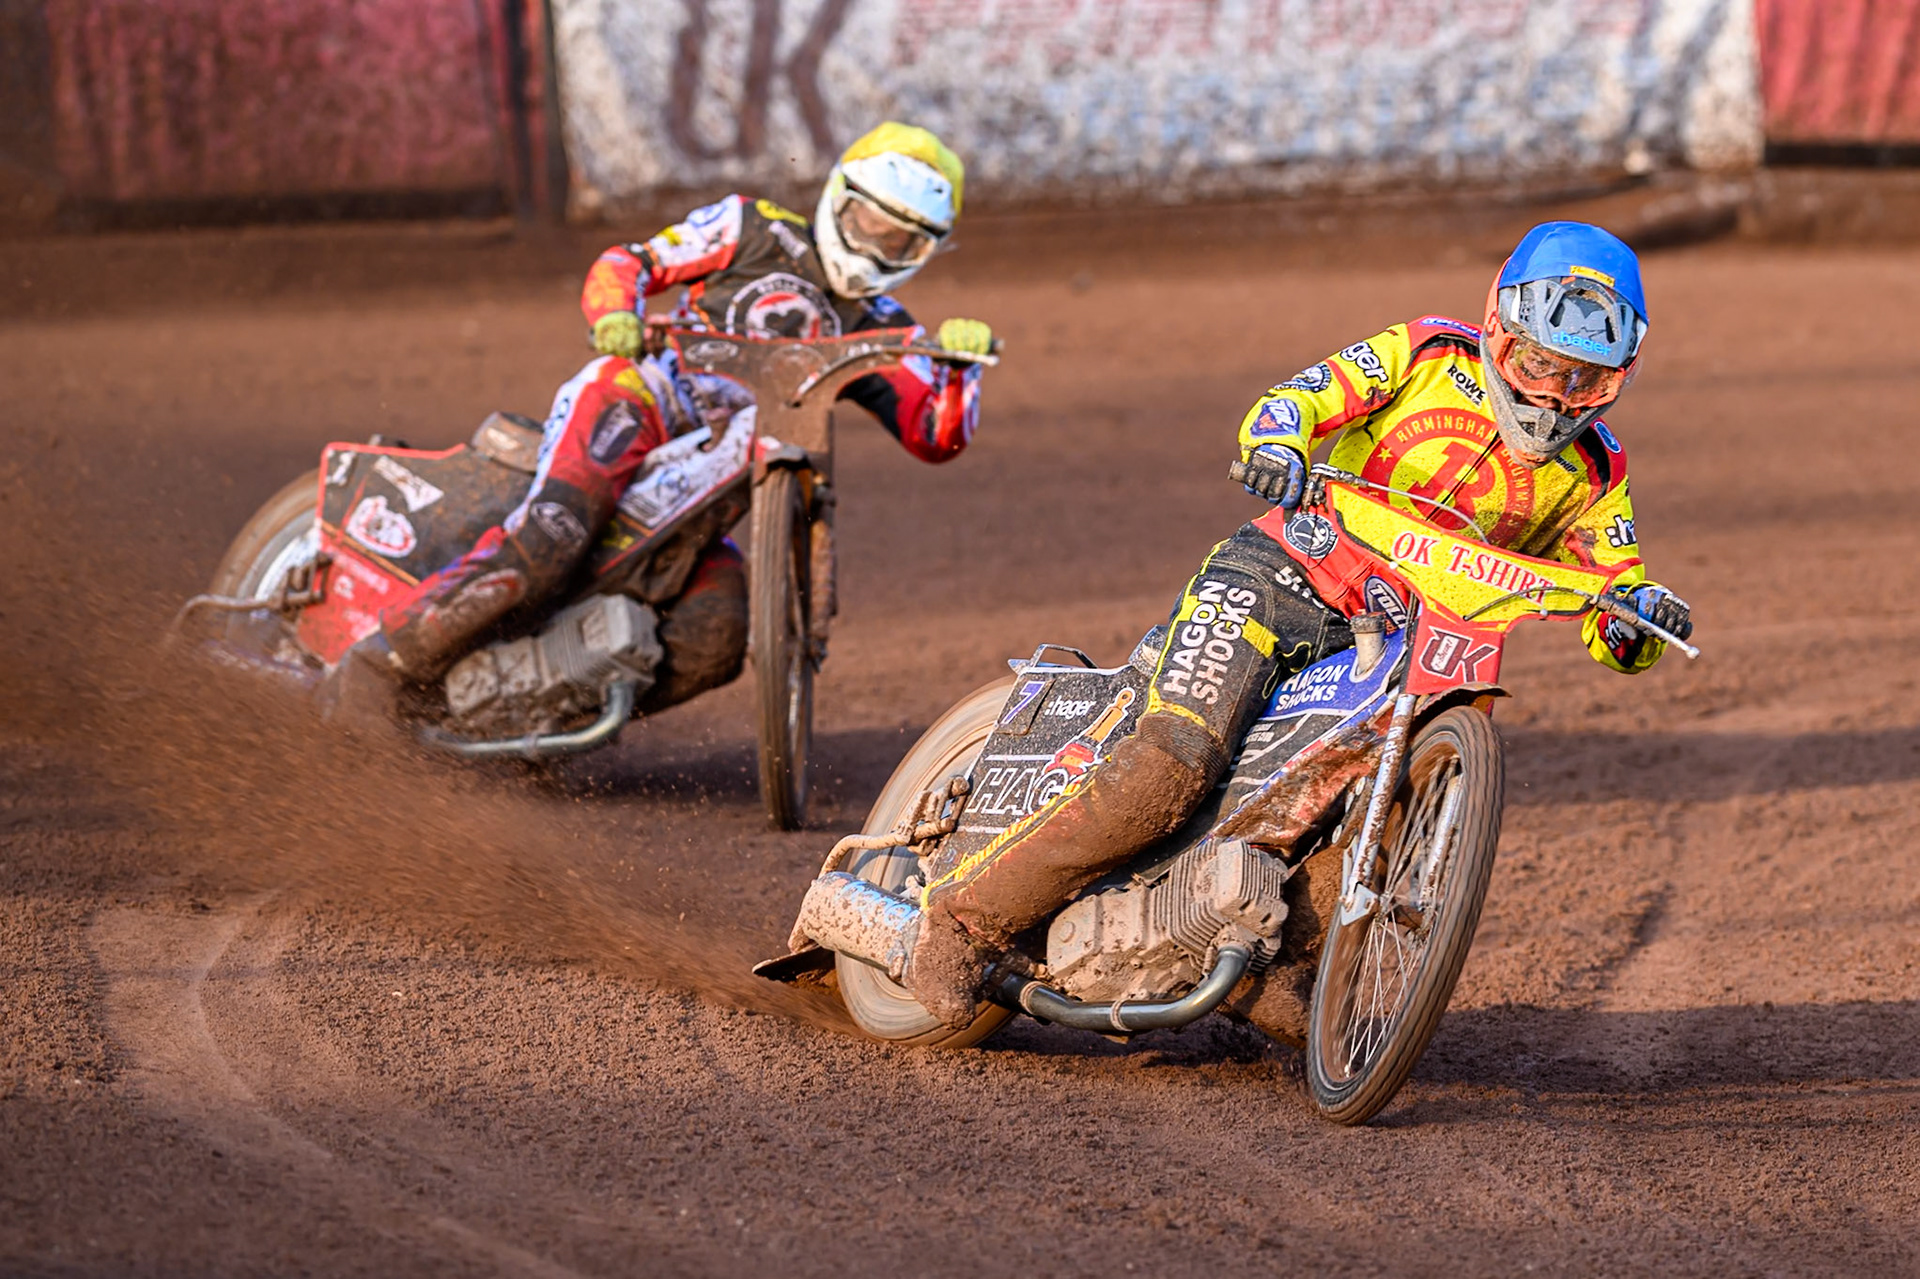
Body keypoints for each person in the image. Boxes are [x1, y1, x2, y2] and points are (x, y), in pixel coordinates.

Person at [905, 221, 1694, 1027]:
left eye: (1585, 380)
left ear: (1619, 377)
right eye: (1538, 364)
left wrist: (1638, 619)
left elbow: (1616, 594)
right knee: (1170, 765)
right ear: (1498, 326)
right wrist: (1277, 444)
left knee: (1385, 809)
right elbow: (1301, 398)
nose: (1554, 395)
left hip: (1401, 646)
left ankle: (1275, 973)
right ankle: (962, 920)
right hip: (1279, 579)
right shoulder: (1427, 354)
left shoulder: (1597, 470)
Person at [326, 122, 994, 720]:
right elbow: (630, 262)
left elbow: (935, 435)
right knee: (553, 534)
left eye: (899, 239)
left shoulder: (883, 329)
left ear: (926, 249)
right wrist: (617, 313)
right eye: (867, 222)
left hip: (707, 496)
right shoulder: (751, 226)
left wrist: (961, 368)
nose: (874, 246)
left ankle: (538, 718)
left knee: (715, 633)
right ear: (836, 197)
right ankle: (377, 665)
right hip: (642, 399)